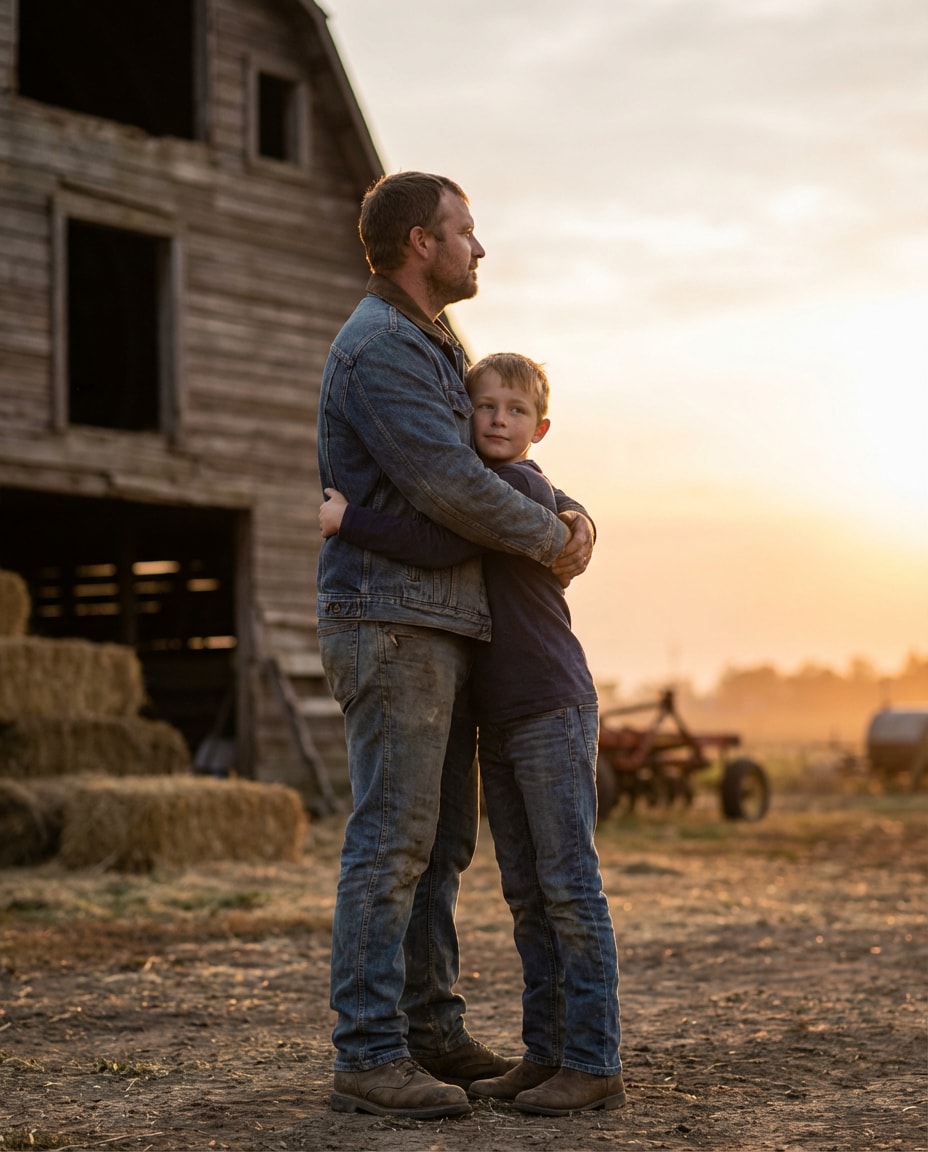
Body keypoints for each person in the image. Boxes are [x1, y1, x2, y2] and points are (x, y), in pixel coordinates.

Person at [316, 172, 596, 1119]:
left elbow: (496, 466)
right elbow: (456, 488)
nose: (480, 248)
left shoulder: (436, 343)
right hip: (390, 621)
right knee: (392, 844)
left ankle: (429, 1033)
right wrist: (555, 536)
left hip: (436, 624)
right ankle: (368, 1053)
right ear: (418, 243)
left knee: (437, 849)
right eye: (465, 232)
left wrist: (565, 504)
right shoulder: (384, 349)